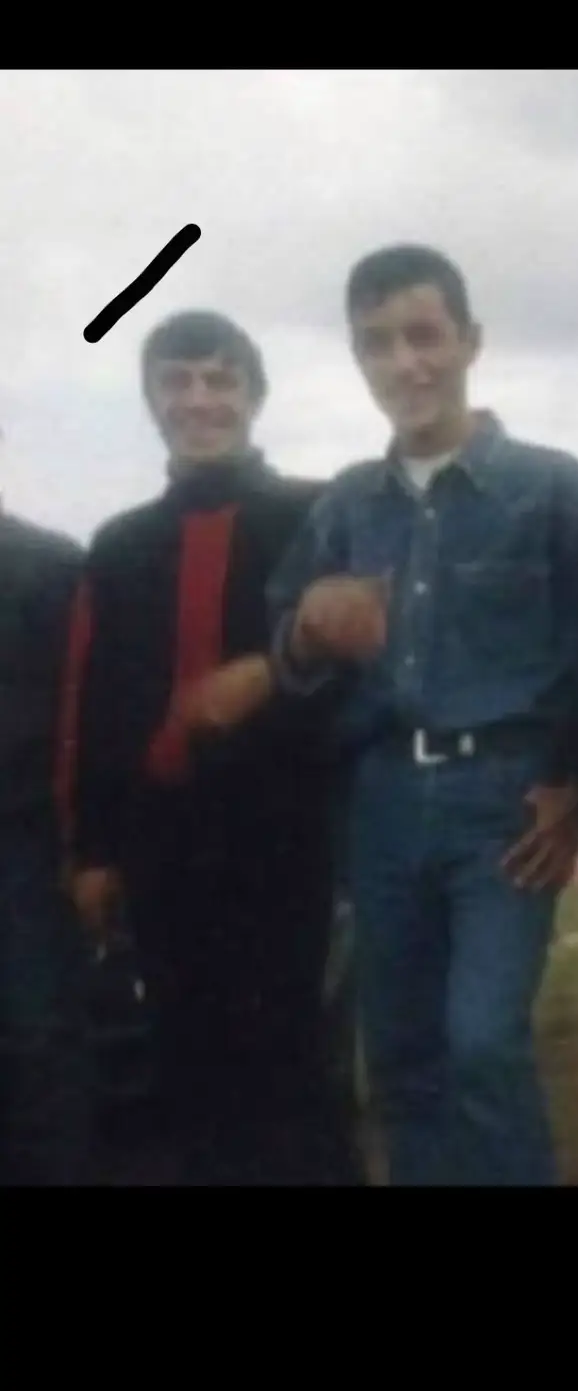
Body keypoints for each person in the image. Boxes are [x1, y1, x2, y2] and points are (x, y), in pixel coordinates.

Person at [265, 245, 578, 1187]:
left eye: (423, 335)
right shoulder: (346, 506)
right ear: (357, 358)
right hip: (380, 800)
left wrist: (576, 783)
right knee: (403, 1054)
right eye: (377, 342)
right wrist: (309, 631)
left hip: (505, 802)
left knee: (483, 1039)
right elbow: (287, 644)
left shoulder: (551, 488)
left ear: (469, 341)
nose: (404, 362)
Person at [66, 311, 356, 1185]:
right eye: (177, 381)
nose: (199, 400)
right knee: (190, 1070)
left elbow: (355, 664)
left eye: (221, 379)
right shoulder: (119, 547)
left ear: (255, 396)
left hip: (293, 836)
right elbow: (96, 708)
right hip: (165, 850)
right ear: (152, 400)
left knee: (299, 1069)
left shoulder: (318, 515)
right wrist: (93, 851)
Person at [0, 471, 89, 1184]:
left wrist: (87, 847)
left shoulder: (50, 566)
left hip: (23, 845)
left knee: (40, 1040)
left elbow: (91, 714)